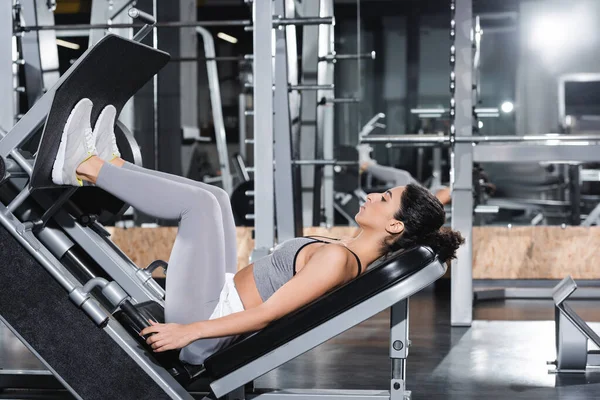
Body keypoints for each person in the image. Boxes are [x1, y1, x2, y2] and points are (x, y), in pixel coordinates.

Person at [51, 98, 465, 366]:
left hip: (207, 322)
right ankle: (110, 164)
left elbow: (268, 314)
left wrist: (187, 332)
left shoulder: (340, 260)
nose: (373, 195)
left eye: (385, 197)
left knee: (198, 205)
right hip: (219, 297)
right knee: (215, 196)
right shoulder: (344, 250)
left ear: (394, 224)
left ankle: (85, 166)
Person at [356, 144, 452, 205]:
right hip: (423, 197)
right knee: (404, 176)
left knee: (402, 177)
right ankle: (369, 166)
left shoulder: (455, 193)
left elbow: (436, 201)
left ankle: (365, 165)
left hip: (418, 205)